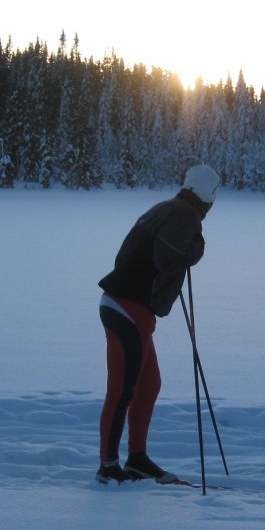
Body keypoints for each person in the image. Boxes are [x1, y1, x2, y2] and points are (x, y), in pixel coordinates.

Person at [96, 164, 220, 484]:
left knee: (148, 383)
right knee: (123, 388)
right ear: (209, 195)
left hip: (128, 306)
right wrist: (195, 248)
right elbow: (169, 258)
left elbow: (138, 255)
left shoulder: (168, 208)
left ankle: (137, 459)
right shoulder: (185, 214)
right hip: (127, 308)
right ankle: (108, 466)